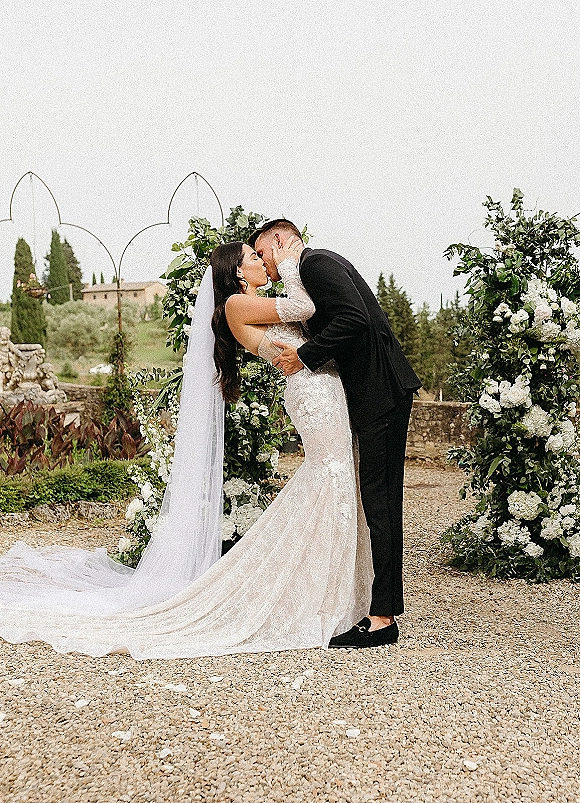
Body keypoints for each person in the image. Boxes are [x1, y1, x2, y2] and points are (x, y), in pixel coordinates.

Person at [0, 238, 372, 659]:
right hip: (312, 393)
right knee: (331, 473)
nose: (261, 263)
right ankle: (321, 590)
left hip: (320, 387)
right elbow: (305, 309)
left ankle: (331, 583)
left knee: (335, 473)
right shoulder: (236, 305)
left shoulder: (253, 302)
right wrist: (290, 264)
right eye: (254, 257)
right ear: (235, 271)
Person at [249, 220, 421, 648]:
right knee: (375, 500)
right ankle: (375, 603)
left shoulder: (316, 263)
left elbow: (354, 320)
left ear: (280, 241)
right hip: (375, 395)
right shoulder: (313, 268)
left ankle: (383, 618)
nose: (266, 267)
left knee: (380, 502)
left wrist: (305, 354)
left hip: (380, 394)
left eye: (263, 253)